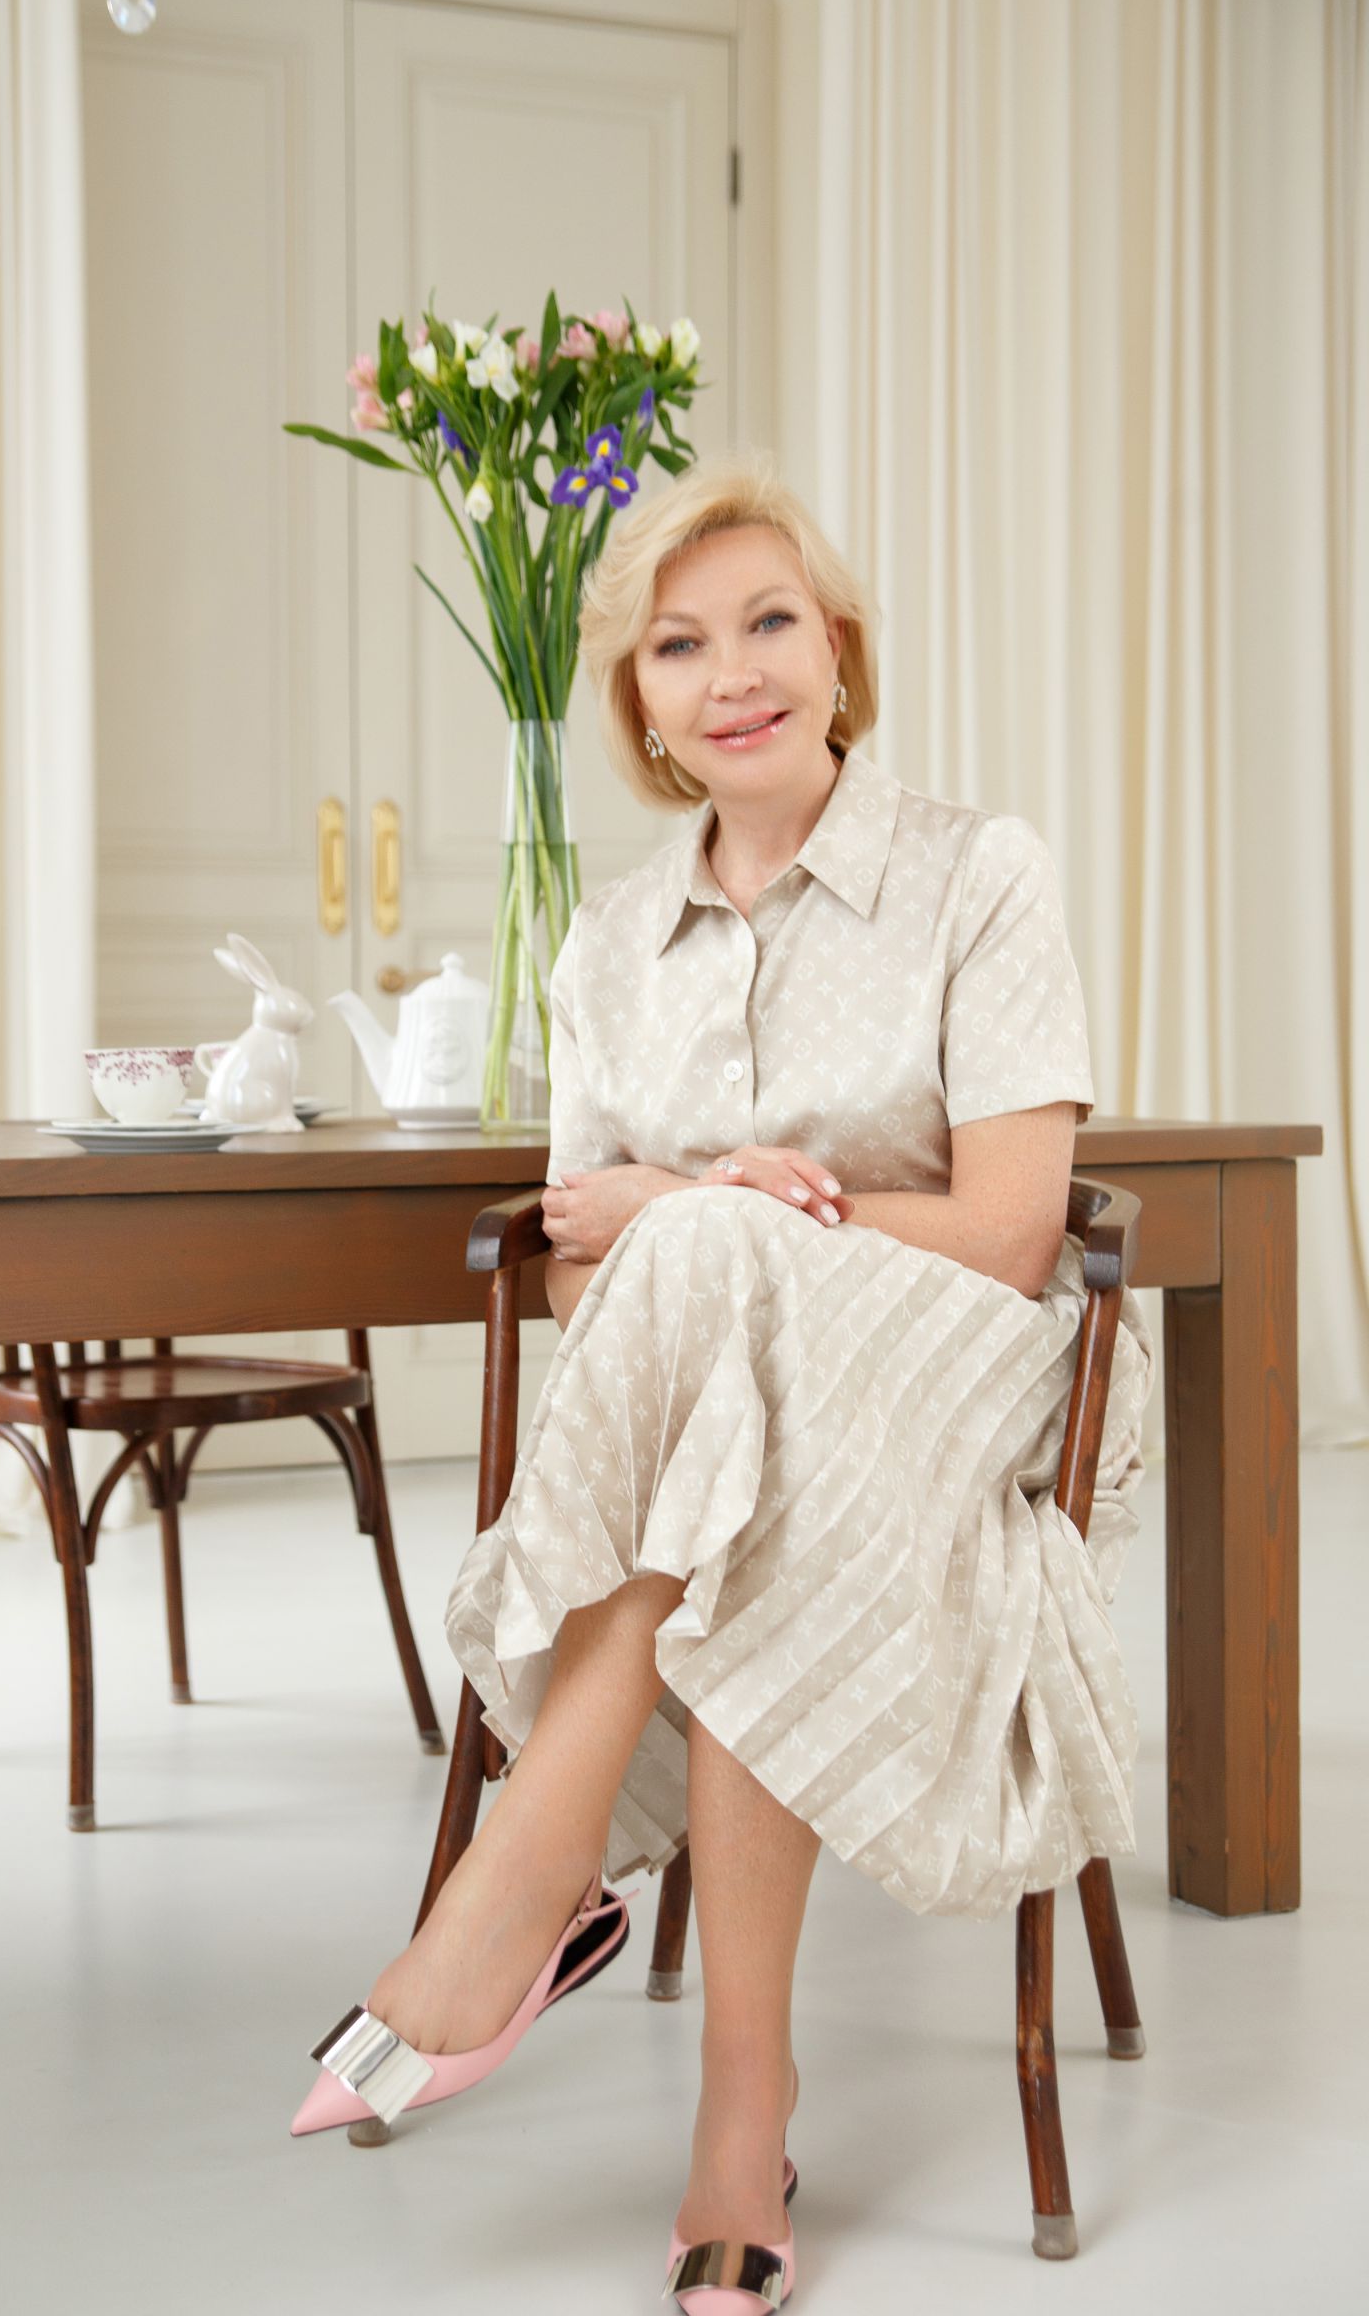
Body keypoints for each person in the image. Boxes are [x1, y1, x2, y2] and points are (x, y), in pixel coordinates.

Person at [291, 451, 1154, 2313]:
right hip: (738, 1429)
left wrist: (722, 1210)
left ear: (838, 651)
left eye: (769, 622)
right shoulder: (611, 943)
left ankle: (527, 1880)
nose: (732, 671)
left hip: (971, 1378)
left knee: (719, 1266)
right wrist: (699, 1228)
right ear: (643, 704)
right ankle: (740, 2107)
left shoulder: (977, 874)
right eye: (679, 645)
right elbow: (585, 1270)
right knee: (747, 1423)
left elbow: (1015, 1231)